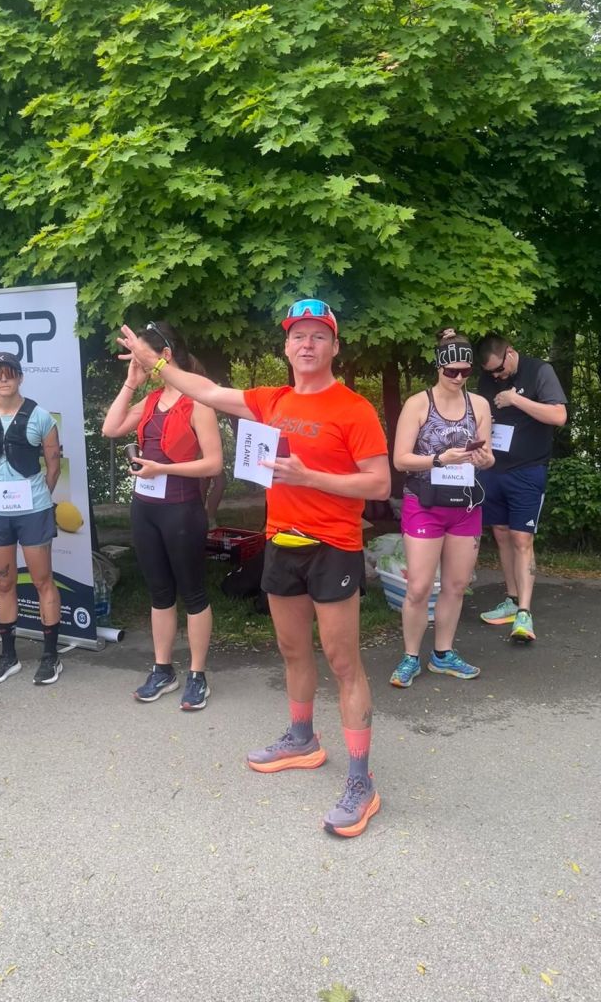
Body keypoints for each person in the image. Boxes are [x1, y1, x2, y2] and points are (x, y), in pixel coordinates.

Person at [118, 300, 391, 837]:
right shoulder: (272, 400)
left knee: (343, 663)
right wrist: (155, 363)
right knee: (292, 650)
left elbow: (379, 483)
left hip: (333, 546)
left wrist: (310, 478)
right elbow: (206, 391)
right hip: (281, 543)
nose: (307, 344)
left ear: (334, 347)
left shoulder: (354, 408)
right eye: (298, 336)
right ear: (286, 347)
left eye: (318, 336)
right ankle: (302, 739)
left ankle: (362, 781)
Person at [102, 322, 223, 710]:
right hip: (146, 509)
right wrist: (130, 383)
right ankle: (163, 669)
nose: (138, 363)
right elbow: (111, 428)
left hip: (182, 510)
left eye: (142, 356)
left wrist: (163, 469)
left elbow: (214, 464)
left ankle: (197, 674)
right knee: (159, 593)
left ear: (164, 355)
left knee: (193, 593)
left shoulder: (198, 400)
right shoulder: (151, 399)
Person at [390, 329, 495, 688]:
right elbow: (400, 459)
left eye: (466, 371)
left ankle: (443, 654)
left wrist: (483, 458)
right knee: (419, 586)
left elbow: (489, 457)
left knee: (456, 584)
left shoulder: (479, 405)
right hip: (425, 502)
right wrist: (438, 459)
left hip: (465, 503)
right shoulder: (418, 404)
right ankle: (410, 656)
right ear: (438, 366)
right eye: (452, 371)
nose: (459, 377)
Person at [0, 352, 63, 686]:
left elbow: (53, 466)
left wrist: (37, 496)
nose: (4, 380)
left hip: (33, 511)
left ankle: (50, 656)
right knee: (3, 582)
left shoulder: (41, 418)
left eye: (9, 374)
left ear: (20, 377)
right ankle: (8, 656)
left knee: (42, 580)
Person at [476, 335, 567, 641]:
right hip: (494, 469)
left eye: (499, 370)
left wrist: (516, 400)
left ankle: (525, 614)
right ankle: (511, 600)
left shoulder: (539, 371)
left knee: (522, 538)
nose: (496, 376)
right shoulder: (488, 379)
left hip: (528, 471)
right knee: (501, 534)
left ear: (511, 354)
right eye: (490, 373)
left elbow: (559, 416)